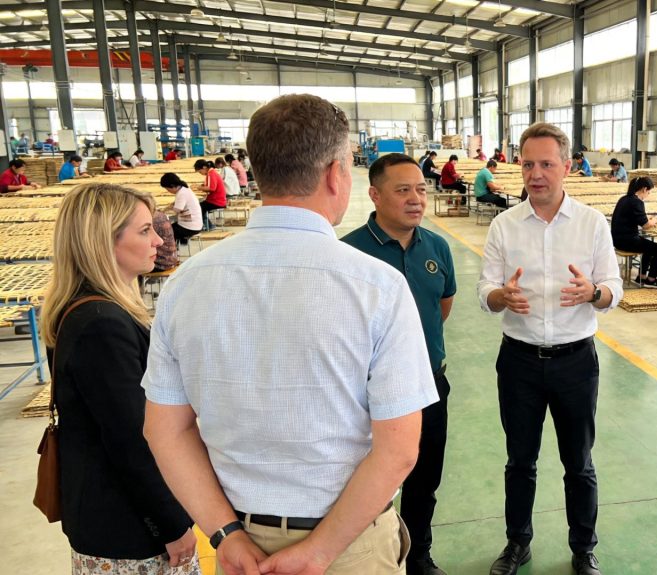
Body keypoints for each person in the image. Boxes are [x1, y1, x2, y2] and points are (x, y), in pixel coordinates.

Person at [143, 94, 438, 575]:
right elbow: (400, 449)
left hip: (242, 545)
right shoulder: (377, 287)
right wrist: (321, 551)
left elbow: (164, 429)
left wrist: (224, 534)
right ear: (333, 174)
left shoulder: (187, 284)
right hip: (348, 545)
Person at [478, 122, 623, 575]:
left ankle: (583, 548)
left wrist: (593, 292)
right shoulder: (504, 225)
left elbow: (614, 290)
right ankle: (517, 543)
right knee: (520, 460)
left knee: (578, 463)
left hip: (576, 361)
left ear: (566, 166)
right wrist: (502, 296)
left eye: (546, 163)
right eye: (527, 164)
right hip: (519, 360)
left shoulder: (592, 223)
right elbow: (485, 289)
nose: (536, 173)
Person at [40, 183, 198, 575]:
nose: (159, 240)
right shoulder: (101, 324)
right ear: (103, 242)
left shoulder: (81, 307)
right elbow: (133, 440)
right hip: (129, 527)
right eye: (144, 231)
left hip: (108, 513)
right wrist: (171, 524)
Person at [342, 153, 457, 575]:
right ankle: (373, 552)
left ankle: (419, 554)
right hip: (368, 392)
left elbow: (441, 306)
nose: (416, 199)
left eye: (421, 190)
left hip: (429, 384)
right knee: (373, 478)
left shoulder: (437, 246)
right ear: (374, 195)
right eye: (402, 190)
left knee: (425, 478)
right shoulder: (350, 251)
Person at [610, 176, 657, 288]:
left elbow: (636, 217)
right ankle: (651, 280)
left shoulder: (624, 198)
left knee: (648, 246)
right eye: (649, 192)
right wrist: (654, 220)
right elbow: (646, 225)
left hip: (617, 239)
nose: (648, 195)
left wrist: (647, 218)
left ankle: (642, 277)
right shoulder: (637, 202)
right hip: (627, 241)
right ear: (644, 189)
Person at [160, 173, 203, 246]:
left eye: (167, 189)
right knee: (170, 227)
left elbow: (176, 210)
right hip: (195, 224)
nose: (168, 191)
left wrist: (165, 211)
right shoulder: (184, 188)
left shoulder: (182, 193)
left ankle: (171, 252)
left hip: (190, 227)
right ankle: (177, 246)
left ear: (172, 186)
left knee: (165, 232)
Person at [194, 159, 227, 230]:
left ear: (204, 167)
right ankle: (207, 224)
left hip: (217, 201)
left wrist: (199, 188)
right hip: (218, 199)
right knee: (200, 205)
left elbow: (212, 188)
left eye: (200, 171)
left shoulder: (211, 174)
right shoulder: (211, 172)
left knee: (198, 207)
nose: (201, 173)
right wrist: (203, 186)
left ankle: (206, 225)